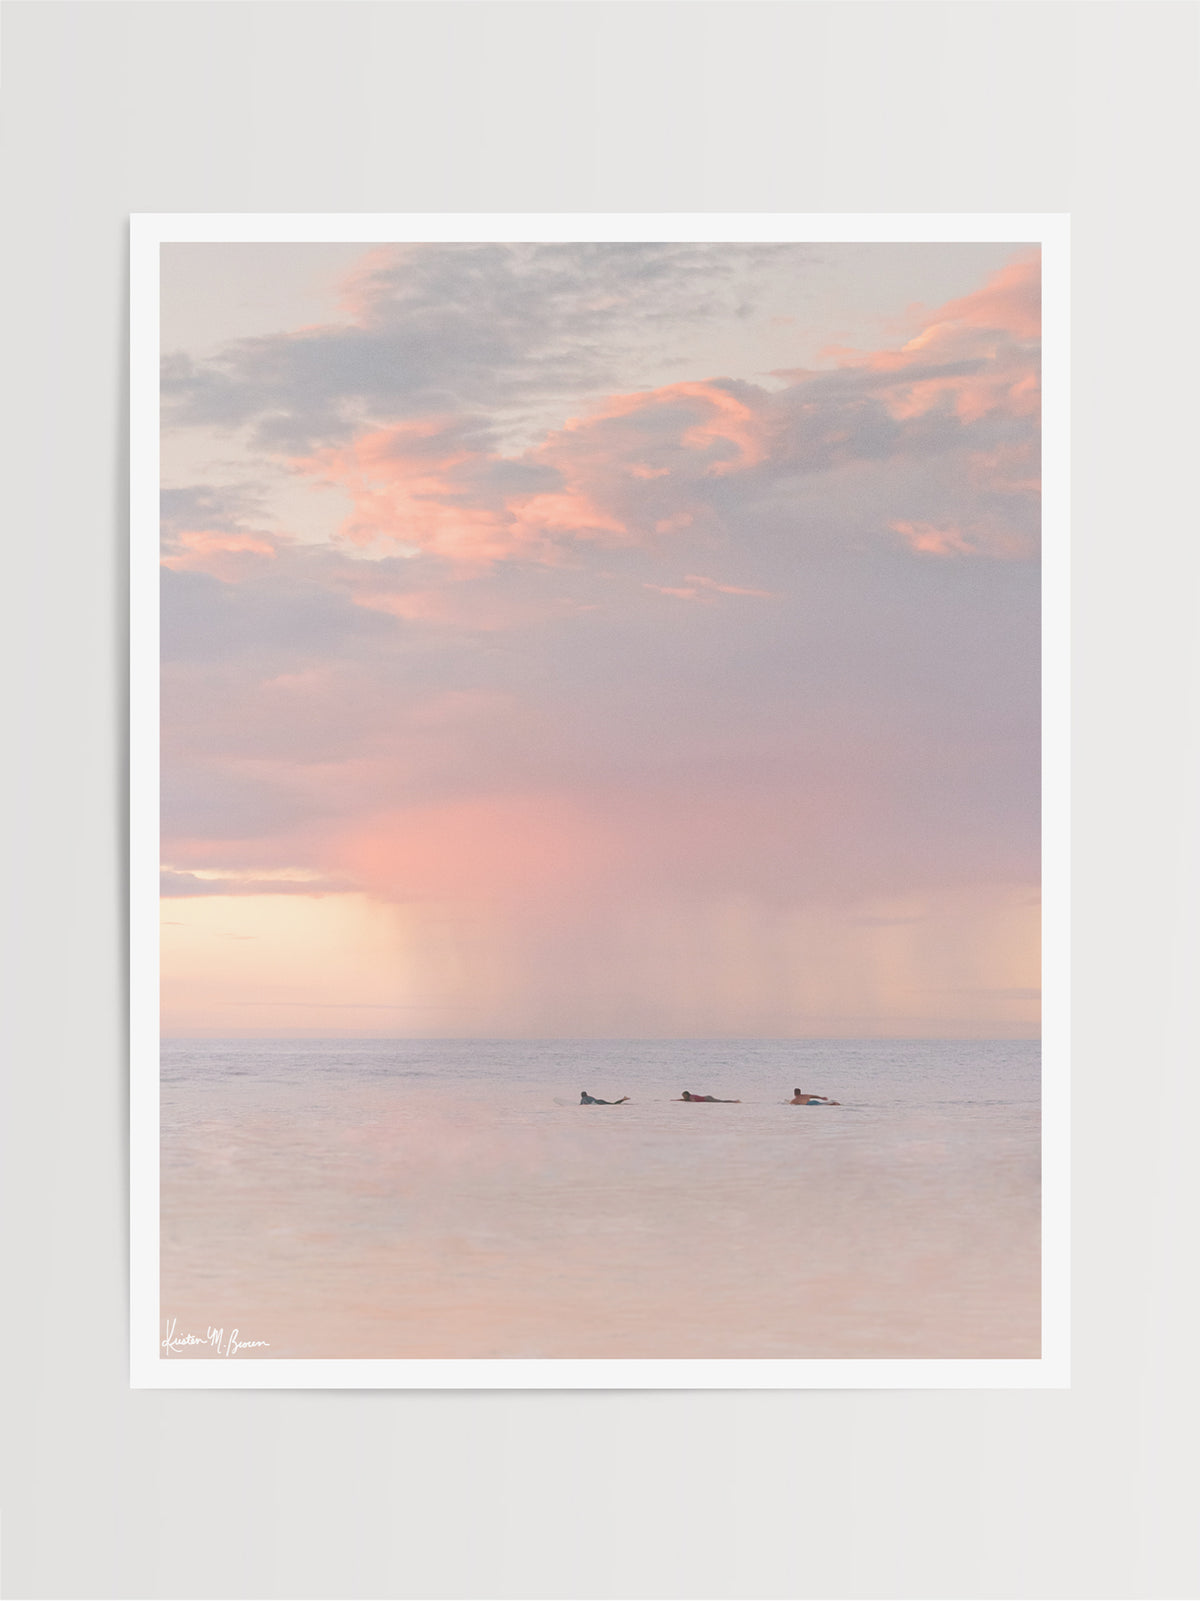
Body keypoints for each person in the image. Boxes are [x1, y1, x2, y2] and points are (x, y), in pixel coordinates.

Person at [676, 1090, 741, 1103]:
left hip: (707, 1099)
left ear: (687, 1095)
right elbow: (685, 1100)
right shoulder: (690, 1097)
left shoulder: (691, 1097)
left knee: (721, 1101)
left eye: (684, 1096)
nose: (683, 1097)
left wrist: (685, 1101)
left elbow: (693, 1101)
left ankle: (734, 1101)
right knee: (721, 1101)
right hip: (707, 1098)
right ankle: (734, 1101)